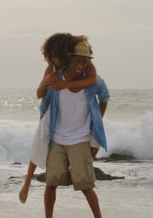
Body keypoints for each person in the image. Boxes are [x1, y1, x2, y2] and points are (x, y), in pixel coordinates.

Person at [19, 33, 99, 204]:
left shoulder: (83, 63)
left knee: (85, 175)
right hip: (50, 112)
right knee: (38, 145)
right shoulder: (52, 68)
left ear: (66, 55)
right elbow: (40, 94)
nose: (55, 61)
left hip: (74, 128)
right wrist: (48, 81)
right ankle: (26, 184)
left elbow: (92, 81)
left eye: (58, 58)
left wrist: (65, 85)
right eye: (52, 58)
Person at [41, 40, 110, 218]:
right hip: (57, 139)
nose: (82, 64)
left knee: (85, 185)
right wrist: (42, 130)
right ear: (69, 59)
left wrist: (97, 121)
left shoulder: (94, 82)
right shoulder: (56, 79)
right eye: (78, 60)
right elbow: (44, 102)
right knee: (51, 183)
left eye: (85, 61)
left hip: (80, 140)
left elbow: (105, 97)